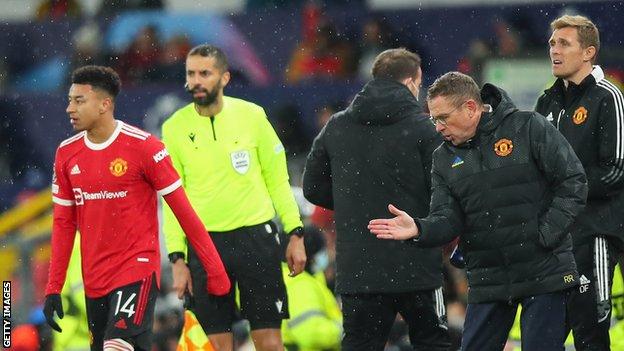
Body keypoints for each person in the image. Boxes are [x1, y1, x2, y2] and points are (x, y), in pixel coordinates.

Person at [369, 71, 588, 350]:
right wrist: (419, 228)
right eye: (433, 119)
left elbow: (573, 181)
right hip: (488, 277)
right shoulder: (443, 158)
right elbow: (447, 218)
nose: (438, 127)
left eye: (443, 118)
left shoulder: (528, 127)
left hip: (544, 272)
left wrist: (545, 234)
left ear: (471, 108)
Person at [44, 65, 230, 351]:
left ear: (105, 104)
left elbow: (185, 214)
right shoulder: (66, 154)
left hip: (136, 269)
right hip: (94, 279)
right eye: (69, 100)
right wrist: (53, 286)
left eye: (79, 101)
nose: (70, 108)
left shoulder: (144, 148)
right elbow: (64, 224)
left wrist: (216, 271)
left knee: (116, 345)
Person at [303, 48, 449, 351]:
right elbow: (444, 189)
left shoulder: (338, 126)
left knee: (359, 345)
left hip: (359, 266)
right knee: (433, 343)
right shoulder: (425, 128)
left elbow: (312, 187)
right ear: (411, 82)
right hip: (417, 264)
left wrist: (353, 204)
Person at [161, 44, 306, 351]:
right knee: (214, 345)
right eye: (191, 74)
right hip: (205, 245)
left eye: (205, 73)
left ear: (224, 78)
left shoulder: (252, 116)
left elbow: (278, 181)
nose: (196, 81)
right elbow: (173, 200)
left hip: (258, 239)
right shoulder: (174, 128)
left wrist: (295, 233)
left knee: (269, 340)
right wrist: (177, 258)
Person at [535, 14, 624, 351]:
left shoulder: (607, 97)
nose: (554, 51)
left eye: (563, 44)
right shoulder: (547, 102)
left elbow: (616, 170)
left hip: (595, 232)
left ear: (588, 52)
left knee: (592, 331)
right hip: (555, 238)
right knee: (545, 336)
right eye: (551, 44)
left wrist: (565, 192)